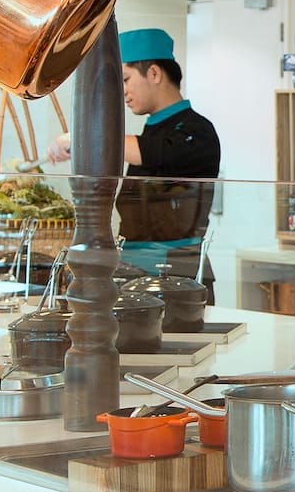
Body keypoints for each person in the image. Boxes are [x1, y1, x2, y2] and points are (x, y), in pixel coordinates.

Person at [48, 28, 222, 296]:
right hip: (134, 273)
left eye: (126, 79)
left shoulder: (197, 131)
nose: (123, 92)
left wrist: (82, 138)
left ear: (154, 73)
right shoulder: (151, 130)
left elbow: (149, 152)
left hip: (179, 279)